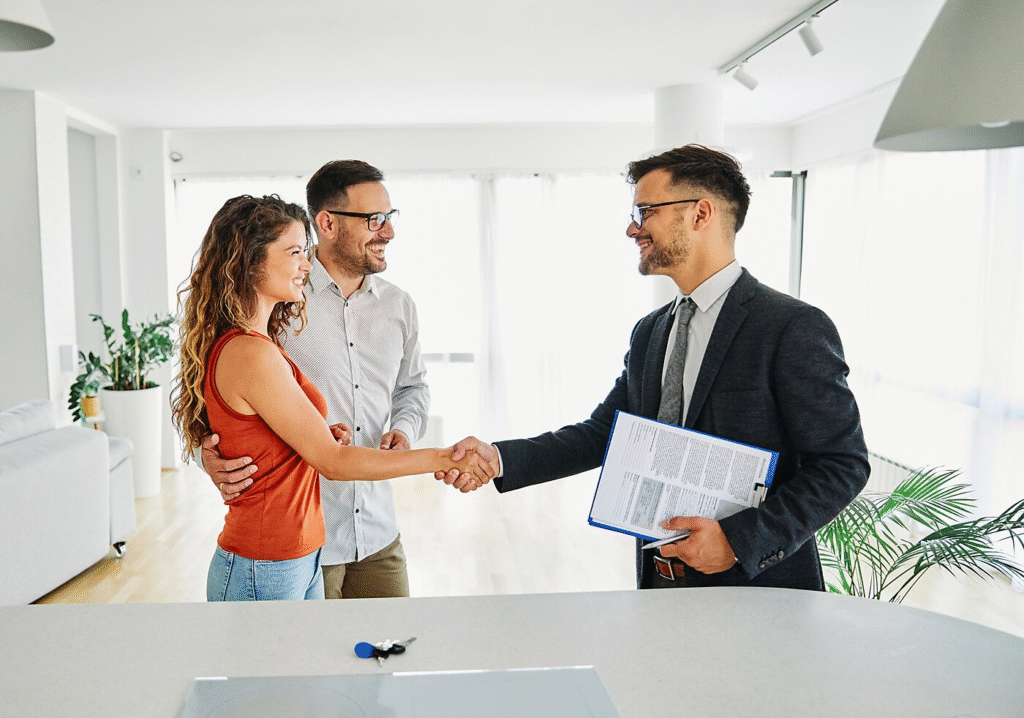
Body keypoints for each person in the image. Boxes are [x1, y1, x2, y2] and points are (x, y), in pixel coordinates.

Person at [441, 144, 869, 591]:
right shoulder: (650, 332)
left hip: (758, 586)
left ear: (700, 214)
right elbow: (605, 432)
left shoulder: (792, 327)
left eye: (645, 212)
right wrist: (500, 458)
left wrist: (738, 541)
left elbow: (843, 463)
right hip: (661, 581)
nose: (632, 228)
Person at [171, 194, 491, 601]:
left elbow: (275, 434)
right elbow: (333, 462)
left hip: (301, 551)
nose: (306, 264)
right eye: (294, 252)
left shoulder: (262, 342)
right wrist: (442, 458)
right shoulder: (252, 352)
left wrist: (318, 431)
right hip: (266, 562)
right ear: (251, 262)